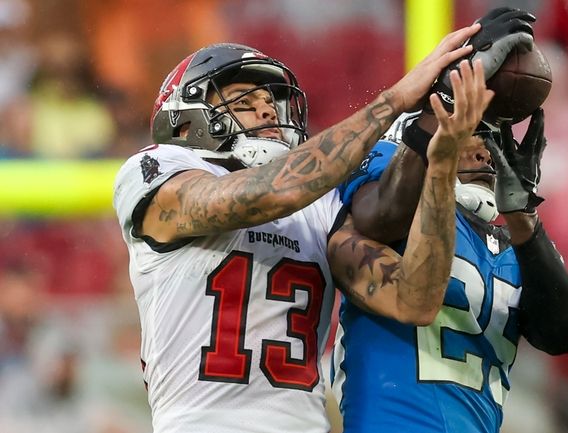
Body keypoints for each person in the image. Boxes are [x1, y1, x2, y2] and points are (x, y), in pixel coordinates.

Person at [112, 32, 495, 433]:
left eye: (270, 102)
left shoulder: (320, 205)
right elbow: (269, 193)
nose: (266, 112)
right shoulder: (157, 168)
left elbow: (414, 300)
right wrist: (396, 99)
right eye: (244, 102)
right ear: (186, 120)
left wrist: (440, 164)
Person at [332, 106, 568, 432]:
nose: (485, 155)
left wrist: (524, 218)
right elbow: (382, 213)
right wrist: (434, 155)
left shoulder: (517, 248)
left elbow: (563, 334)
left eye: (494, 145)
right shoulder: (399, 198)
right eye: (471, 137)